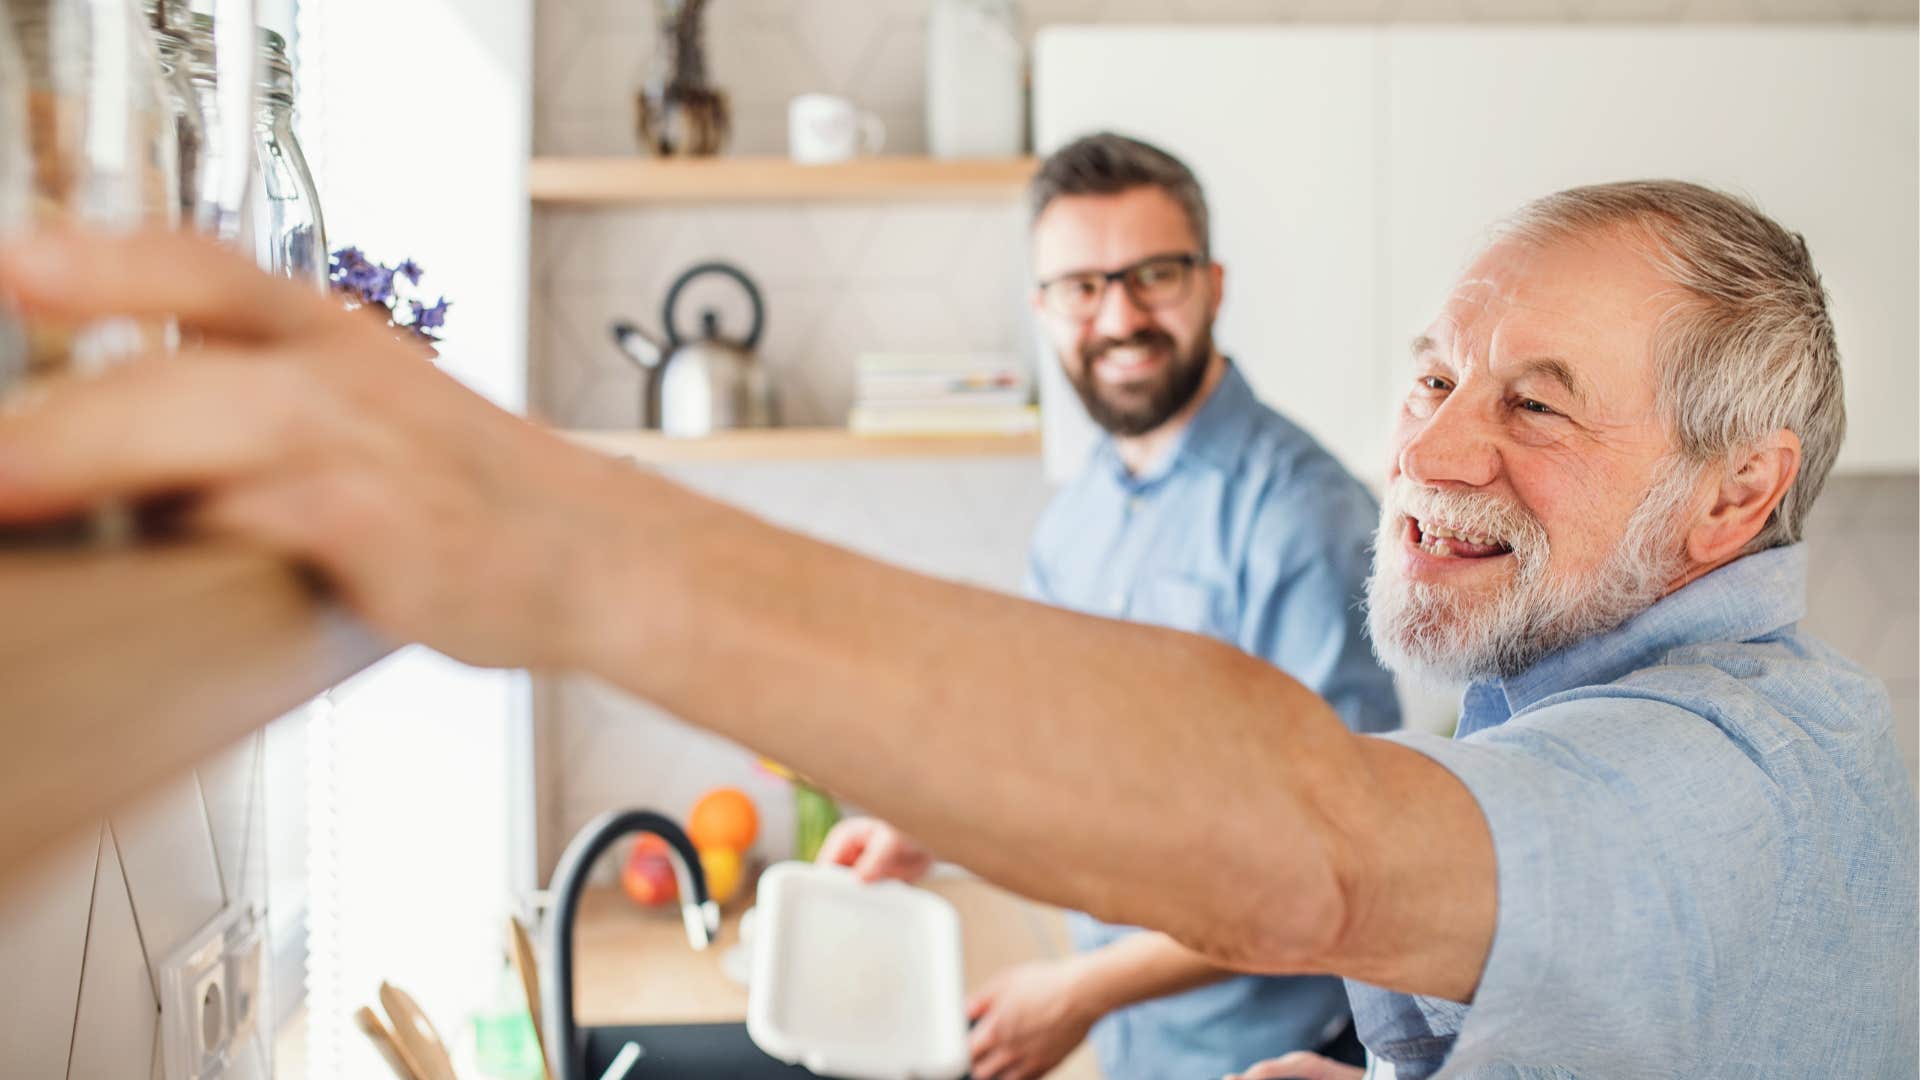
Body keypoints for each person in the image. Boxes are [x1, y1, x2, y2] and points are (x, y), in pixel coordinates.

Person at [0, 178, 1910, 1078]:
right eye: (1432, 372)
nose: (1429, 440)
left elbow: (1317, 839)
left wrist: (545, 538)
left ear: (1740, 492)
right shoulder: (1612, 713)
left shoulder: (1752, 779)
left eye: (1537, 403)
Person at [816, 134, 1396, 1080]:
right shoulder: (1078, 514)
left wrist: (1084, 993)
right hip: (1139, 1049)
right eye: (1082, 287)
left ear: (1212, 283)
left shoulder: (1303, 515)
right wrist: (937, 826)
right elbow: (1067, 752)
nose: (1120, 316)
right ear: (1044, 310)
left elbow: (1336, 861)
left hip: (1280, 1053)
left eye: (1153, 275)